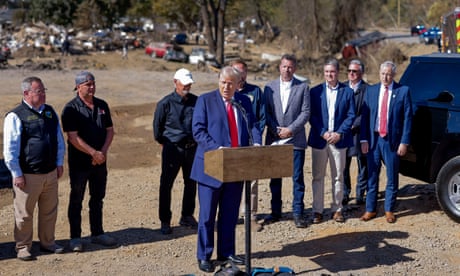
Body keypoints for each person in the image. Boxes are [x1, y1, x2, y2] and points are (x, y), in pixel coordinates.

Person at [191, 66, 262, 273]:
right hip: (210, 167)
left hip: (235, 167)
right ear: (218, 81)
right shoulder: (205, 100)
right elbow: (198, 130)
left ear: (238, 85)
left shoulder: (244, 102)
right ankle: (204, 255)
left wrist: (256, 143)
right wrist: (217, 148)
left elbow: (254, 125)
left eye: (231, 84)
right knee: (207, 216)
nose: (226, 87)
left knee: (229, 213)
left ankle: (226, 252)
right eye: (223, 82)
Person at [3, 76, 66, 260]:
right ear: (26, 93)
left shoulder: (49, 112)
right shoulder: (15, 115)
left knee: (49, 211)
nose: (44, 94)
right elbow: (10, 150)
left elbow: (58, 139)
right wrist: (17, 173)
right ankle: (23, 246)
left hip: (50, 173)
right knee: (24, 214)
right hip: (27, 176)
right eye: (39, 91)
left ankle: (48, 242)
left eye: (44, 90)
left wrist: (59, 163)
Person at [61, 71, 116, 252]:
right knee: (77, 199)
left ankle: (97, 233)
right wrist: (93, 153)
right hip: (80, 164)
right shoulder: (71, 109)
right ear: (78, 87)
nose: (91, 87)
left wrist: (103, 152)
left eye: (93, 84)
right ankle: (75, 237)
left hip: (100, 162)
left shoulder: (102, 105)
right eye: (87, 84)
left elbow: (109, 130)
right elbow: (73, 137)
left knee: (97, 198)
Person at [360, 61, 412, 223]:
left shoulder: (403, 91)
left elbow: (408, 119)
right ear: (379, 73)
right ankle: (370, 209)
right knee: (372, 176)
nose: (385, 77)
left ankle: (389, 210)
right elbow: (364, 118)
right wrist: (363, 139)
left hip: (392, 141)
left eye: (389, 74)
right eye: (383, 73)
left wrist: (404, 142)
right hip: (374, 140)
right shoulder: (370, 90)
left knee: (392, 176)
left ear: (394, 75)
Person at [263, 54, 310, 228]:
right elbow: (265, 112)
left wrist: (290, 129)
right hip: (274, 139)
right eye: (284, 66)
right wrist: (275, 128)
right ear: (279, 67)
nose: (287, 70)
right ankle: (275, 212)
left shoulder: (303, 87)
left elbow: (306, 112)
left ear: (295, 69)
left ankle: (298, 213)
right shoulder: (269, 88)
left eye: (290, 67)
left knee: (297, 178)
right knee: (275, 178)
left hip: (295, 139)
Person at [308, 58, 355, 224]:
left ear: (338, 72)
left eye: (332, 72)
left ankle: (337, 209)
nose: (330, 75)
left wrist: (339, 133)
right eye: (327, 72)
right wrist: (322, 132)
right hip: (320, 140)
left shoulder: (347, 92)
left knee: (338, 177)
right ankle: (317, 211)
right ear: (324, 73)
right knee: (318, 177)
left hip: (338, 141)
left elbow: (351, 116)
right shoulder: (315, 92)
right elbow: (311, 116)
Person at [153, 68, 198, 235]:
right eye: (184, 84)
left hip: (192, 149)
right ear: (175, 82)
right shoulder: (165, 103)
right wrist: (165, 143)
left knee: (191, 183)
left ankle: (187, 215)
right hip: (172, 148)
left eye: (189, 84)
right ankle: (165, 220)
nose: (187, 87)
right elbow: (157, 130)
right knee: (166, 184)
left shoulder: (196, 102)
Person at [230, 59, 265, 232]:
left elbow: (259, 118)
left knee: (251, 180)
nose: (240, 75)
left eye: (243, 72)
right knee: (231, 179)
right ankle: (230, 214)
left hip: (250, 144)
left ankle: (250, 215)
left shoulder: (255, 92)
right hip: (231, 146)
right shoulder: (225, 93)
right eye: (237, 71)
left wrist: (257, 140)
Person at [342, 59, 368, 205]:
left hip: (360, 133)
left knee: (362, 164)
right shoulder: (342, 87)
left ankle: (360, 193)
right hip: (344, 133)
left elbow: (368, 112)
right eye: (349, 71)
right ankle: (345, 192)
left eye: (355, 71)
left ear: (361, 73)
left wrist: (354, 123)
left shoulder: (367, 90)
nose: (351, 74)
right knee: (344, 164)